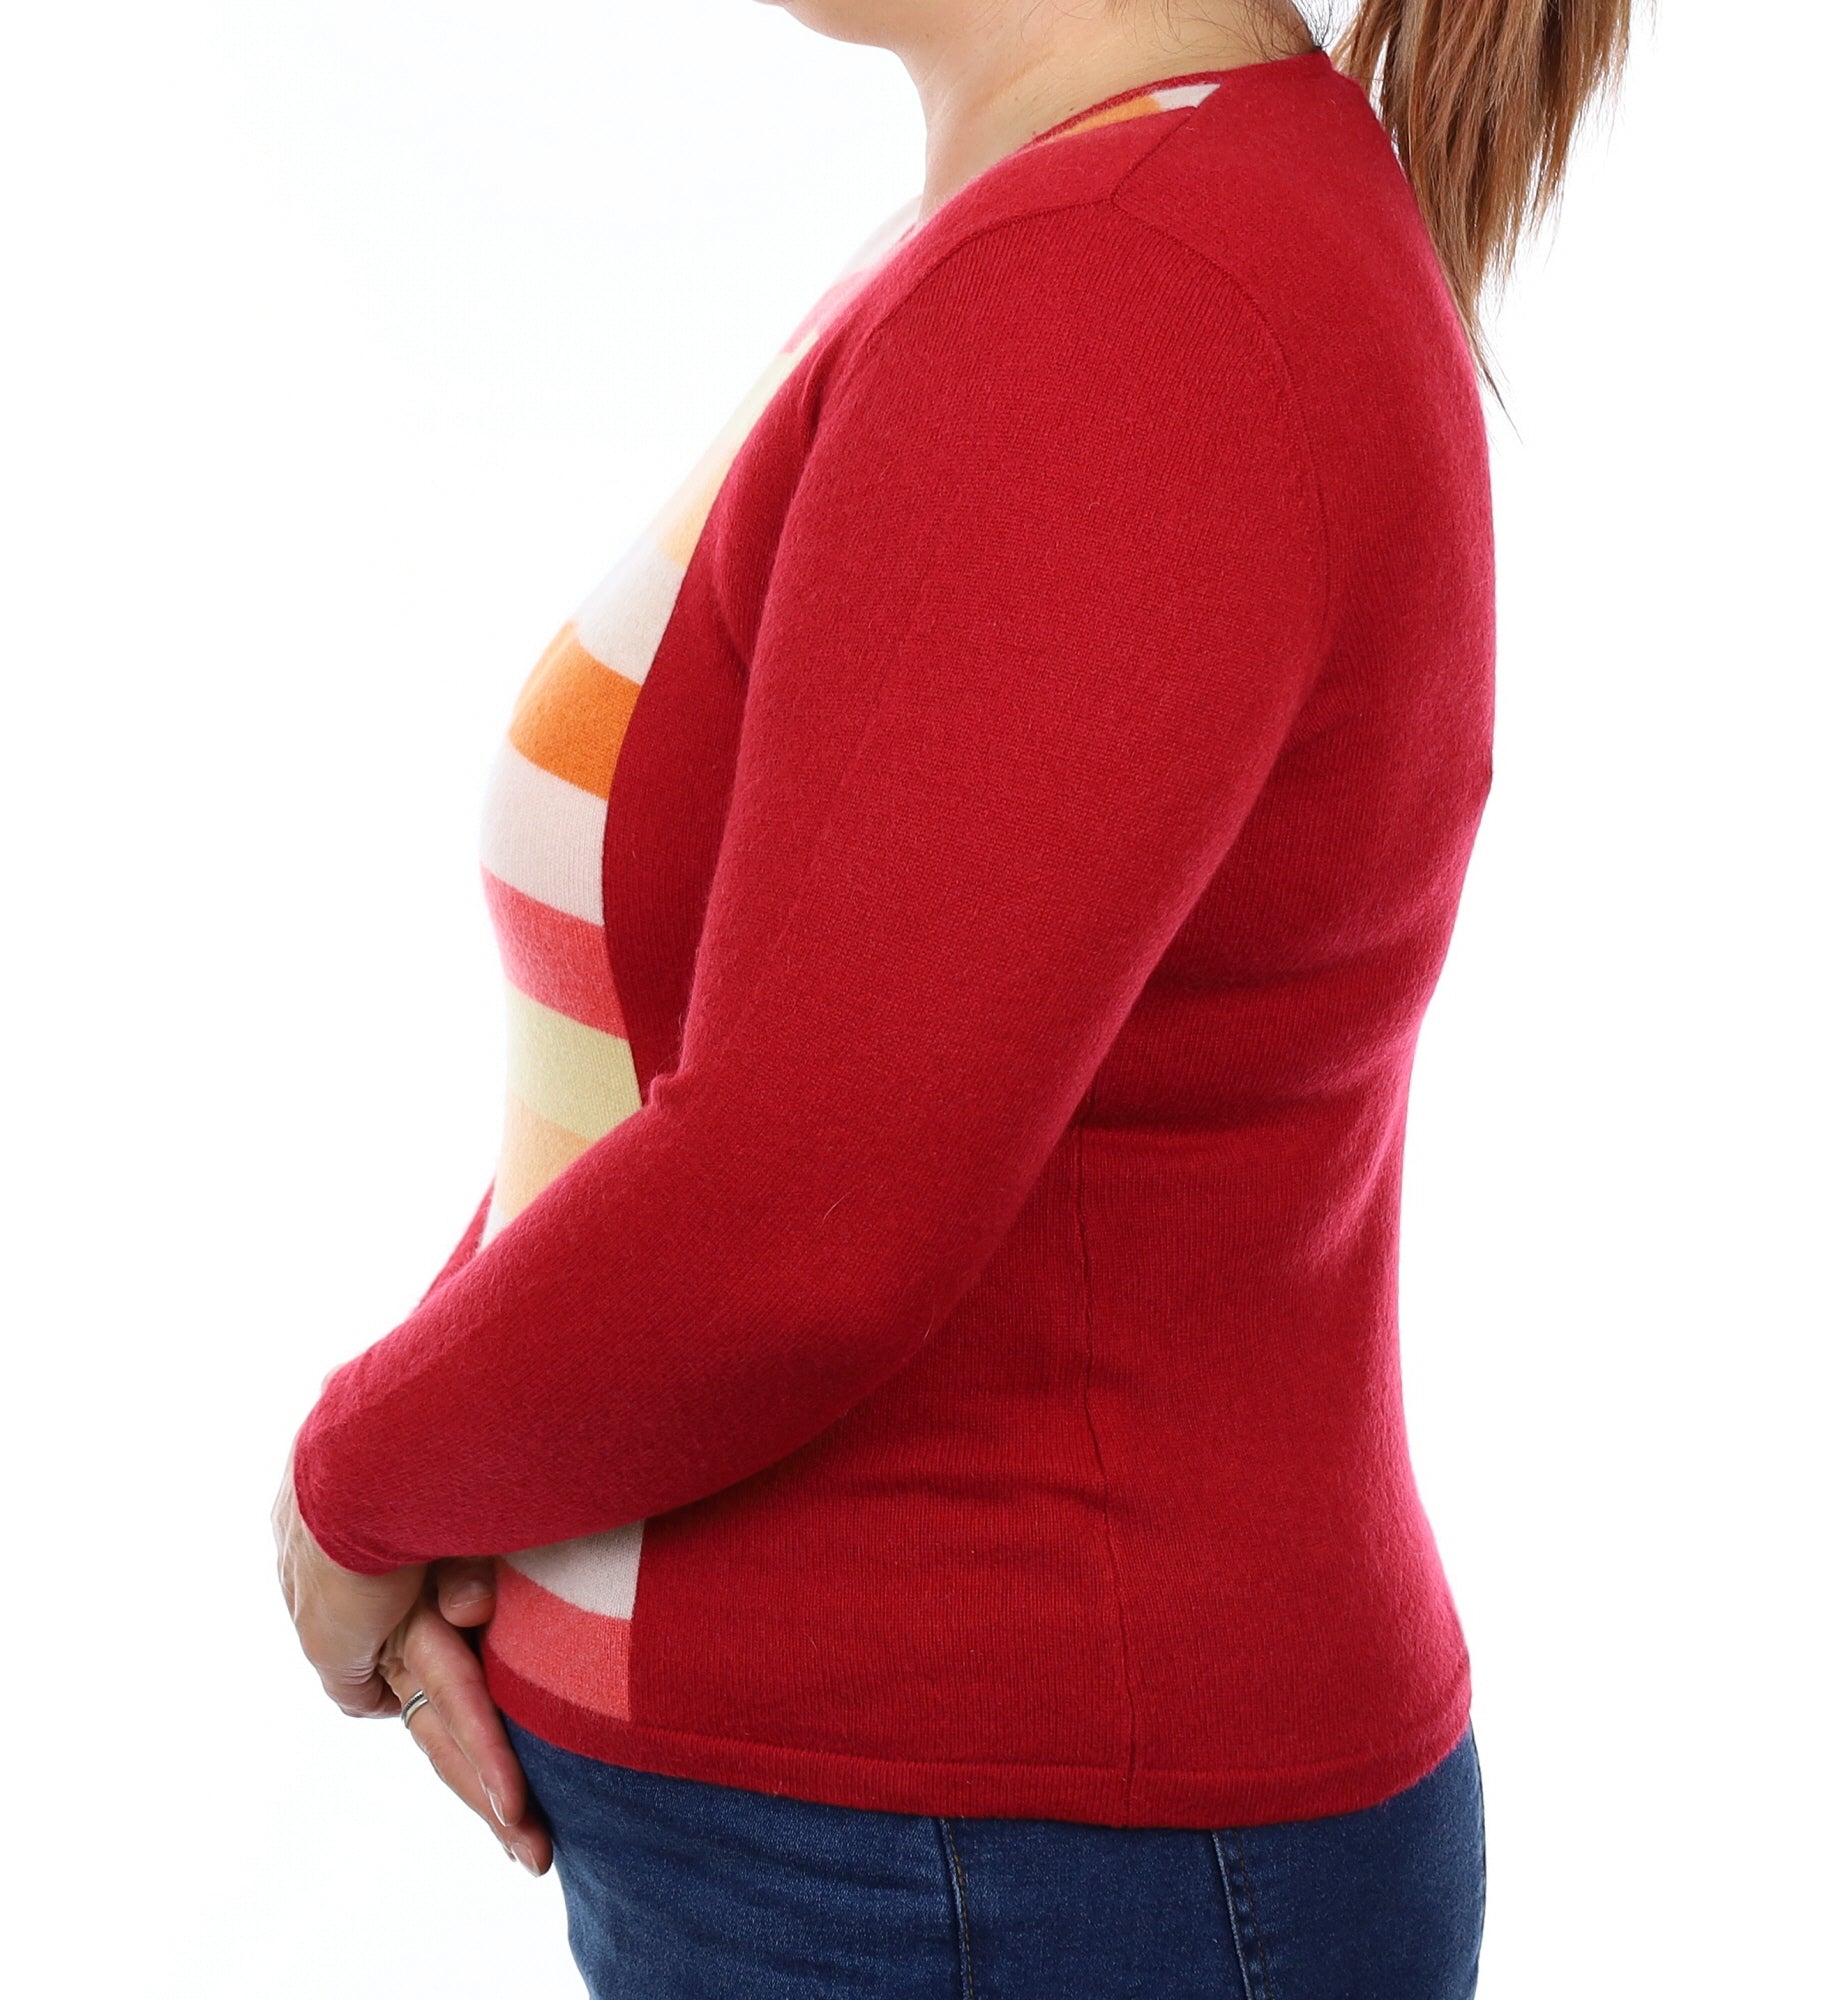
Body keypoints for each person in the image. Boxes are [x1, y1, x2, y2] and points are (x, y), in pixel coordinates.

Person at [272, 1, 1631, 1992]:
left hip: (986, 1864)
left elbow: (803, 1215)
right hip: (938, 1855)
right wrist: (463, 1450)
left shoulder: (1118, 288)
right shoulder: (1092, 221)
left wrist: (351, 1491)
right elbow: (703, 1062)